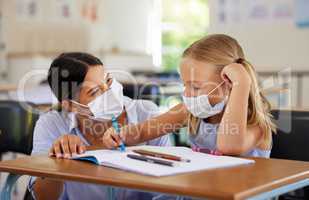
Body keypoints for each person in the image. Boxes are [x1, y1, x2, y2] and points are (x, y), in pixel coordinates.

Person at [102, 34, 276, 157]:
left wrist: (242, 84)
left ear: (229, 83)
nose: (186, 93)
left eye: (196, 87)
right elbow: (144, 132)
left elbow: (228, 146)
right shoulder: (191, 112)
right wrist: (121, 135)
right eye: (185, 84)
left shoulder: (257, 126)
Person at [28, 52, 171, 200]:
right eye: (94, 91)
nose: (108, 92)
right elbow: (43, 196)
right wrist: (57, 161)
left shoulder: (146, 113)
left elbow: (170, 186)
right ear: (70, 105)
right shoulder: (51, 125)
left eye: (108, 81)